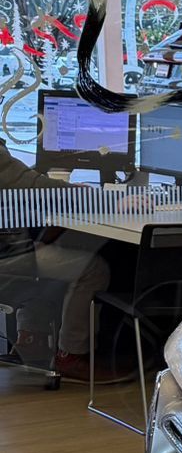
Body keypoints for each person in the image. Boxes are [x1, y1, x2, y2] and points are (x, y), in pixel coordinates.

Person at [0, 146, 112, 382]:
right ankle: (71, 355)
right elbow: (32, 187)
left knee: (48, 248)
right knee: (93, 269)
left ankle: (32, 339)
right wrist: (102, 198)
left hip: (9, 248)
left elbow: (18, 180)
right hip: (6, 257)